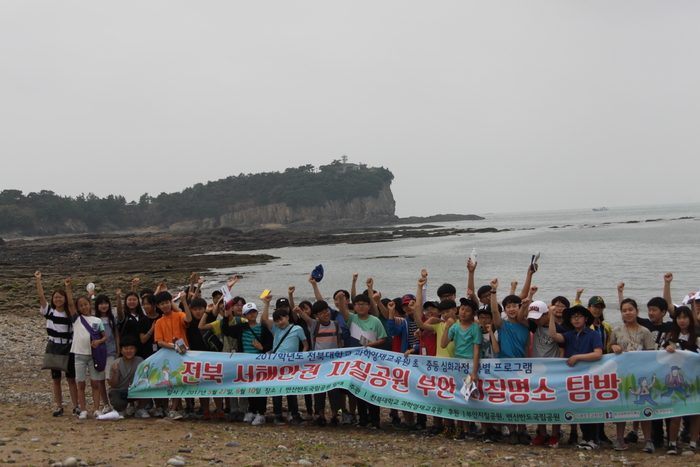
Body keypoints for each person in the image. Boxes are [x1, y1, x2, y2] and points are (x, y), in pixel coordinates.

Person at [549, 305, 604, 450]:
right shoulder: (570, 335)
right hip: (575, 378)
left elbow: (598, 354)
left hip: (591, 376)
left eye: (579, 316)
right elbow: (554, 335)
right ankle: (585, 438)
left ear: (586, 318)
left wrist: (577, 357)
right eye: (574, 317)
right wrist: (551, 316)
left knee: (591, 406)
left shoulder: (593, 334)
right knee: (580, 406)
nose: (576, 319)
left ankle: (593, 438)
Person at [609, 298, 656, 453]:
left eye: (630, 310)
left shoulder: (645, 332)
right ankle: (620, 439)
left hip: (641, 376)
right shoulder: (616, 331)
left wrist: (636, 355)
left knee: (644, 406)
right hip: (622, 376)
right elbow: (609, 353)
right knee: (621, 406)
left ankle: (648, 441)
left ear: (637, 311)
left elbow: (651, 355)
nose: (627, 313)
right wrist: (614, 346)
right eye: (624, 310)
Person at [337, 293, 387, 429]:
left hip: (371, 361)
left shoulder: (375, 321)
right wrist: (341, 299)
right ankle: (363, 420)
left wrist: (371, 345)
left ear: (369, 306)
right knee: (358, 390)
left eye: (363, 304)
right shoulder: (352, 319)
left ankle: (375, 420)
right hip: (357, 362)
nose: (360, 307)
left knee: (372, 389)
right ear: (354, 306)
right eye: (357, 304)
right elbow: (342, 310)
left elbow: (383, 338)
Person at [220, 301, 272, 425]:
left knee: (260, 388)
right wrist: (226, 315)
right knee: (249, 387)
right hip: (246, 363)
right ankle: (252, 411)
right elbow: (226, 330)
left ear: (257, 313)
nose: (252, 315)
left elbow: (270, 342)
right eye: (249, 313)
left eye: (254, 312)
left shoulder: (262, 328)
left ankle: (261, 413)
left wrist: (262, 348)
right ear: (244, 316)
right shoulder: (241, 328)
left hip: (260, 363)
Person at [35, 270, 79, 417]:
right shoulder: (49, 312)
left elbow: (72, 303)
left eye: (60, 297)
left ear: (64, 299)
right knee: (56, 379)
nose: (58, 299)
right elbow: (41, 297)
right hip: (54, 346)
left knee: (71, 378)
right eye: (55, 297)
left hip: (68, 347)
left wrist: (67, 288)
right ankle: (59, 406)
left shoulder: (69, 314)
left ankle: (75, 406)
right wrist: (38, 280)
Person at [260, 294, 309, 425]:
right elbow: (264, 319)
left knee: (291, 389)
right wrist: (266, 304)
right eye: (277, 320)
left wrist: (302, 357)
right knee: (277, 389)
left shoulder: (297, 328)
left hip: (292, 363)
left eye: (282, 319)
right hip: (276, 362)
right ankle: (277, 415)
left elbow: (305, 344)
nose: (280, 322)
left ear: (287, 317)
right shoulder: (275, 328)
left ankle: (293, 414)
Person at [294, 300, 343, 426]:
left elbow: (338, 343)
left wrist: (340, 358)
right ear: (316, 315)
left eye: (326, 311)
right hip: (318, 364)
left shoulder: (336, 324)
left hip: (333, 363)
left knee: (334, 391)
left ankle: (334, 416)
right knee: (319, 390)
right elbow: (305, 318)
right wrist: (299, 311)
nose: (326, 314)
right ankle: (320, 416)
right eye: (322, 313)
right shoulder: (314, 325)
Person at [65, 279, 108, 420]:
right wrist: (68, 288)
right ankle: (83, 409)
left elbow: (105, 337)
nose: (84, 307)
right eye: (81, 306)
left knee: (95, 383)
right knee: (81, 383)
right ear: (78, 308)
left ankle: (96, 409)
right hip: (79, 355)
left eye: (85, 305)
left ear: (90, 305)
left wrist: (98, 342)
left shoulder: (97, 321)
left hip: (93, 355)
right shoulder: (76, 319)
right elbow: (70, 304)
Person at [441, 296, 481, 440]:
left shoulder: (475, 328)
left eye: (468, 310)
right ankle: (460, 428)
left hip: (470, 364)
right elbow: (444, 344)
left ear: (473, 314)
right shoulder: (455, 327)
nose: (464, 312)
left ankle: (466, 428)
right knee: (457, 395)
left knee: (466, 396)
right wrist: (447, 327)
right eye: (462, 309)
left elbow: (477, 350)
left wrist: (474, 371)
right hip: (457, 365)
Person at [662, 305, 700, 455]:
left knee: (695, 413)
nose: (682, 321)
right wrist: (667, 350)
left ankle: (692, 444)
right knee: (675, 412)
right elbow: (661, 356)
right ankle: (672, 443)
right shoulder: (671, 337)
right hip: (676, 381)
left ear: (691, 319)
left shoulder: (696, 338)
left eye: (685, 317)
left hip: (694, 381)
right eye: (679, 318)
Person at [527, 300, 563, 448]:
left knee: (555, 403)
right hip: (537, 369)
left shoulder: (559, 328)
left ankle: (555, 434)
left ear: (547, 314)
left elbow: (562, 348)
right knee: (538, 403)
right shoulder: (535, 326)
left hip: (553, 370)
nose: (536, 320)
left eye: (539, 317)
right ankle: (542, 433)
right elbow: (520, 318)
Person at [153, 290, 192, 420]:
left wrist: (184, 302)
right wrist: (174, 346)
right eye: (162, 304)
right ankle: (176, 409)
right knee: (172, 382)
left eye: (167, 302)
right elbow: (159, 342)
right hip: (169, 357)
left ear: (171, 302)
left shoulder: (178, 315)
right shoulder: (159, 322)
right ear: (158, 306)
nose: (165, 306)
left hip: (182, 356)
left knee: (179, 382)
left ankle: (175, 409)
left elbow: (188, 318)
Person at [108, 335, 148, 417]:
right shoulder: (115, 363)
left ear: (135, 350)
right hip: (120, 390)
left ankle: (140, 409)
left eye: (131, 348)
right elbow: (113, 385)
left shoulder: (140, 361)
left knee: (148, 389)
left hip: (135, 390)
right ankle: (121, 409)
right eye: (126, 348)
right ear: (121, 351)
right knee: (117, 401)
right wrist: (115, 372)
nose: (128, 351)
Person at [94, 294, 118, 414]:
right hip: (99, 352)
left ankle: (115, 401)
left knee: (110, 378)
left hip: (111, 351)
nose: (104, 306)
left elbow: (116, 335)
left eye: (106, 303)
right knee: (100, 379)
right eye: (101, 303)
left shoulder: (113, 319)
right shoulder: (94, 319)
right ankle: (106, 404)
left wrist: (118, 350)